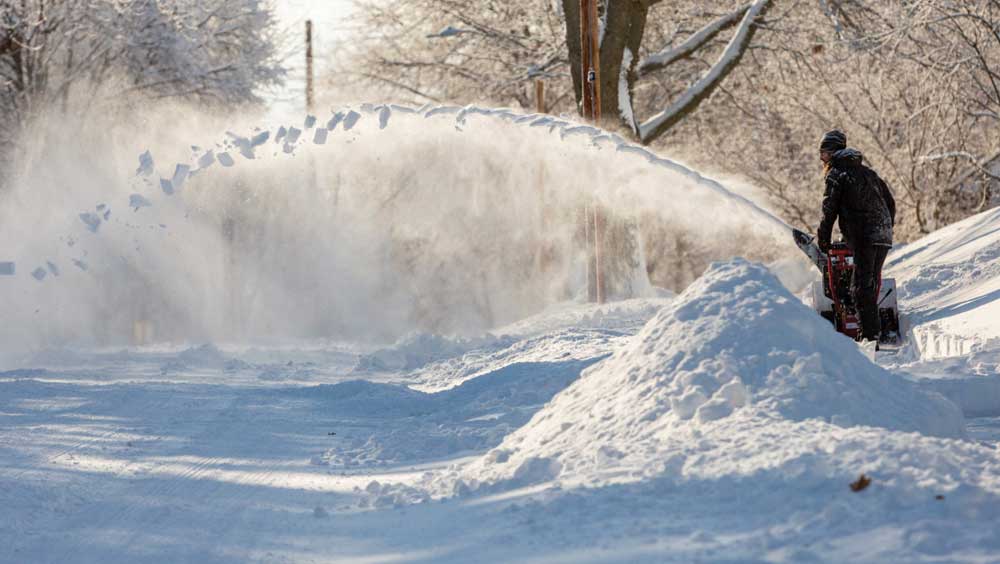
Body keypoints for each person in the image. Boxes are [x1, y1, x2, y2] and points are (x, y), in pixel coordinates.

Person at [816, 129, 896, 342]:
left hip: (864, 235)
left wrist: (823, 239)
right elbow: (890, 203)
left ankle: (869, 338)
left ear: (833, 153)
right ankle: (872, 330)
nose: (821, 159)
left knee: (860, 288)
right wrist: (886, 227)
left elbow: (829, 209)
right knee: (869, 284)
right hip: (882, 234)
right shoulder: (869, 173)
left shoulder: (837, 173)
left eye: (823, 154)